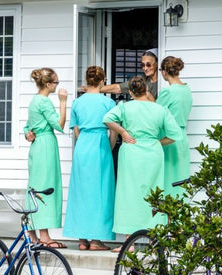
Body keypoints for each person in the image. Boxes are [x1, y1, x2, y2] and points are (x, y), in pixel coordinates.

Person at [103, 76, 181, 251]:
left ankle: (129, 242)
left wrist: (123, 132)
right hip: (153, 154)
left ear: (130, 92)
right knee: (154, 194)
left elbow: (107, 119)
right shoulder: (159, 109)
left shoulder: (124, 106)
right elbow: (175, 135)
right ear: (146, 90)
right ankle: (155, 240)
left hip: (131, 151)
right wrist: (157, 142)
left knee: (128, 194)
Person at [63, 66, 116, 251]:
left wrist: (84, 141)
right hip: (100, 143)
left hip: (83, 145)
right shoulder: (108, 103)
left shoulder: (78, 102)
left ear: (87, 80)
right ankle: (96, 239)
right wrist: (108, 147)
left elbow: (76, 129)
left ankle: (82, 239)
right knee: (100, 191)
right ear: (102, 81)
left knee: (81, 191)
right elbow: (114, 131)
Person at [23, 67, 68, 248]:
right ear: (48, 84)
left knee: (35, 185)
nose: (57, 86)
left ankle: (32, 232)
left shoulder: (34, 101)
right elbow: (58, 125)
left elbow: (28, 126)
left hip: (37, 146)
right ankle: (44, 236)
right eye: (56, 82)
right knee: (46, 187)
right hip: (46, 145)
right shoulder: (45, 102)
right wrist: (63, 102)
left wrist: (28, 134)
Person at [156, 56, 193, 197]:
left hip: (169, 139)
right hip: (182, 138)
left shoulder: (168, 92)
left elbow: (155, 113)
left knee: (167, 180)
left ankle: (165, 218)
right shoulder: (186, 90)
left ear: (164, 72)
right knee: (180, 179)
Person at [81, 49, 160, 101]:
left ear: (156, 64)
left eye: (148, 65)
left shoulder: (162, 83)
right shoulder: (141, 80)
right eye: (142, 65)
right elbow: (118, 88)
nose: (145, 68)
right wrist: (94, 88)